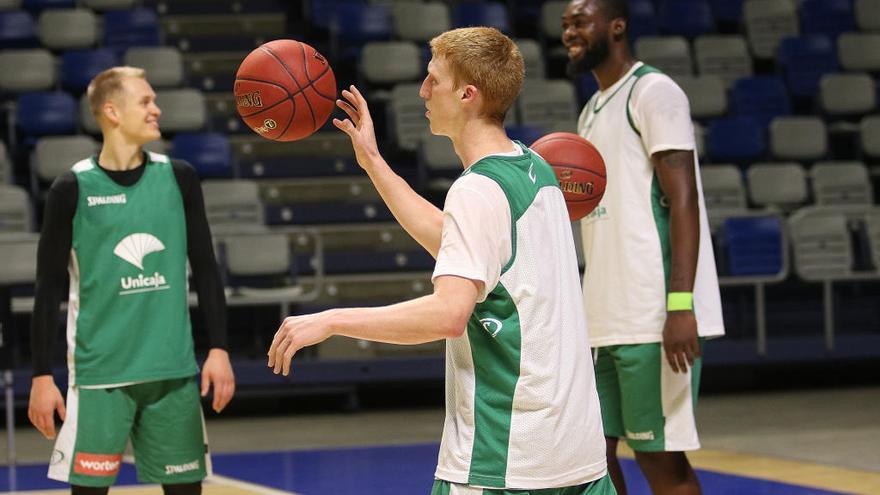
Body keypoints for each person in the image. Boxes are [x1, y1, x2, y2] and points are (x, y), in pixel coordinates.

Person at [268, 27, 614, 494]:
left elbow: (449, 315)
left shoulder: (477, 191)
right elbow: (455, 241)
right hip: (578, 452)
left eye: (434, 80)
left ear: (468, 94)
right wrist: (372, 159)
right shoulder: (536, 167)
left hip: (506, 458)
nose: (422, 91)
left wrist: (331, 320)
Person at [27, 66, 235, 495]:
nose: (157, 109)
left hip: (172, 373)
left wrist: (219, 348)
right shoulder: (72, 188)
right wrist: (41, 376)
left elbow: (207, 268)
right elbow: (47, 288)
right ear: (111, 111)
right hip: (100, 376)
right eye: (145, 101)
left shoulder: (180, 178)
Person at [562, 1, 726, 494]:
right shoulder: (591, 109)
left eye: (580, 22)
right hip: (604, 316)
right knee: (593, 455)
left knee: (660, 462)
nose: (569, 32)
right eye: (566, 24)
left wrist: (680, 305)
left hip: (652, 315)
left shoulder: (653, 92)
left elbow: (684, 203)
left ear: (616, 26)